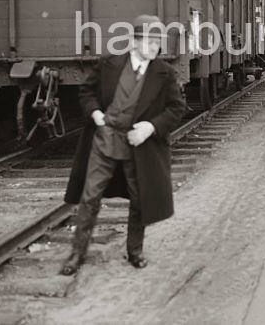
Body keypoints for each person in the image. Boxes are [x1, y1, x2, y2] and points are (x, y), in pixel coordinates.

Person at [60, 15, 186, 275]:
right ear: (135, 42)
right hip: (104, 142)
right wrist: (95, 113)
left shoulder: (164, 73)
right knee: (89, 197)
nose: (156, 48)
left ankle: (135, 251)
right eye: (151, 42)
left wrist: (150, 127)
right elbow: (86, 92)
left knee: (140, 199)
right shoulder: (110, 64)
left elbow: (177, 108)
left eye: (159, 42)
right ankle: (77, 254)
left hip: (137, 146)